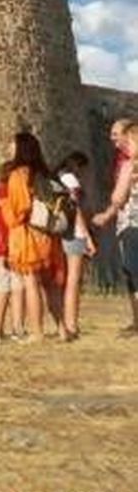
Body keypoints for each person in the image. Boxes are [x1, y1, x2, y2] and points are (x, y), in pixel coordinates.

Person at [2, 132, 57, 342]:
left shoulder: (18, 175)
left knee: (30, 283)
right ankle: (58, 328)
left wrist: (6, 209)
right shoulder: (41, 173)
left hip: (25, 234)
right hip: (42, 232)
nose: (9, 148)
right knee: (43, 283)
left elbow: (20, 208)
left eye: (12, 144)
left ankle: (37, 331)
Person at [91, 117, 137, 335]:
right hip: (128, 223)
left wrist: (107, 214)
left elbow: (118, 197)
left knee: (133, 272)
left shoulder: (129, 164)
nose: (114, 141)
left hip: (132, 224)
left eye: (117, 135)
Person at [56, 152, 94, 342]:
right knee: (73, 281)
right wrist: (88, 237)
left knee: (65, 281)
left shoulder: (57, 177)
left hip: (60, 232)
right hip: (75, 232)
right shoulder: (70, 179)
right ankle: (71, 324)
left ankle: (64, 324)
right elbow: (77, 209)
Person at [0, 160, 23, 342]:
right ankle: (17, 328)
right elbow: (12, 221)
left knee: (4, 287)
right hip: (11, 244)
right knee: (16, 287)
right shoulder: (9, 192)